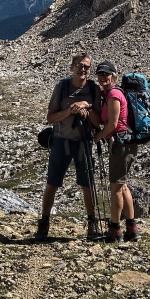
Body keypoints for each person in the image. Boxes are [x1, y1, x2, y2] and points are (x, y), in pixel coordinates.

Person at [36, 53, 103, 241]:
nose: (83, 70)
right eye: (79, 66)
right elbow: (51, 117)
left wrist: (86, 107)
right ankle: (44, 223)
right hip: (61, 140)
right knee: (52, 182)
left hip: (84, 141)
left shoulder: (94, 89)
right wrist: (71, 110)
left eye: (86, 67)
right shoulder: (62, 87)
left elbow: (98, 121)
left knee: (87, 184)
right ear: (72, 68)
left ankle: (92, 224)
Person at [93, 60, 140, 242]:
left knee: (115, 189)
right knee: (122, 186)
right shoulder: (110, 93)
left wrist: (97, 137)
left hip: (121, 145)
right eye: (100, 74)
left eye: (106, 74)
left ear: (113, 76)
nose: (102, 77)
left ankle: (115, 230)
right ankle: (132, 228)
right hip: (125, 144)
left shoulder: (113, 94)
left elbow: (112, 124)